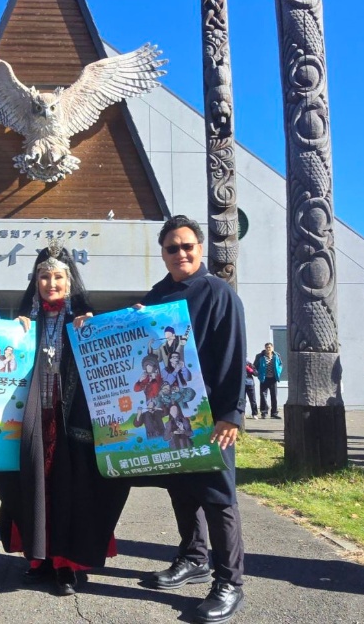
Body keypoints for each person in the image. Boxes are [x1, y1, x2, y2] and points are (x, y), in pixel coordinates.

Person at [0, 244, 131, 597]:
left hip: (72, 422)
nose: (51, 283)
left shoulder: (85, 322)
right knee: (35, 487)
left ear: (69, 283)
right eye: (44, 276)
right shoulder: (24, 325)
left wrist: (97, 325)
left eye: (58, 277)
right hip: (33, 419)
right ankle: (38, 559)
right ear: (35, 281)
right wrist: (16, 330)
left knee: (72, 490)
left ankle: (67, 564)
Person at [139, 215, 247, 624]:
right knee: (181, 488)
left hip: (212, 415)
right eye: (172, 247)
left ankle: (229, 582)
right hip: (170, 410)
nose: (181, 253)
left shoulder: (219, 293)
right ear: (163, 253)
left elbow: (233, 356)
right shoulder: (155, 297)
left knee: (218, 497)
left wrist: (231, 414)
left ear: (200, 248)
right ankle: (194, 556)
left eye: (187, 246)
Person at [254, 342, 283, 419]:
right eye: (266, 347)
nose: (268, 349)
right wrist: (258, 373)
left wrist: (278, 372)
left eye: (269, 347)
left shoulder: (276, 355)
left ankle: (274, 413)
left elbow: (280, 364)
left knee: (274, 396)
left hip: (273, 378)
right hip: (264, 378)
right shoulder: (260, 356)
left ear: (272, 348)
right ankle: (264, 412)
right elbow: (255, 366)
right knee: (263, 395)